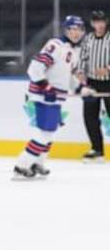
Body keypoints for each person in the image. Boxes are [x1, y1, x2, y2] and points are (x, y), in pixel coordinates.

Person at [14, 16, 95, 178]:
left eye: (80, 29)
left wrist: (81, 89)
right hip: (44, 96)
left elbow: (68, 76)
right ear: (66, 30)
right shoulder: (55, 45)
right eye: (73, 29)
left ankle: (38, 163)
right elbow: (34, 68)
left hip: (55, 98)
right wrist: (46, 87)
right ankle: (21, 165)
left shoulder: (73, 51)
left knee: (49, 132)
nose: (76, 33)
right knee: (45, 133)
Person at [77, 10, 110, 163]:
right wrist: (81, 72)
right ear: (92, 23)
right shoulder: (88, 39)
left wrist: (108, 69)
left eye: (102, 21)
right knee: (90, 116)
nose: (99, 24)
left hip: (108, 82)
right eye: (96, 21)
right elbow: (83, 58)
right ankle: (97, 149)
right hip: (92, 83)